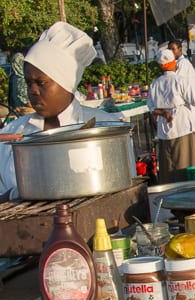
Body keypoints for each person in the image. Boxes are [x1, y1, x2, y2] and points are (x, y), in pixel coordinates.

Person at [0, 21, 116, 200]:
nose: (33, 91)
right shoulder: (12, 134)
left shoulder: (103, 130)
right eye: (29, 82)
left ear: (66, 84)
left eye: (41, 82)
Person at [147, 49, 195, 184]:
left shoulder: (155, 84)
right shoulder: (180, 81)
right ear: (174, 63)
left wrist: (163, 113)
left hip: (164, 132)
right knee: (186, 166)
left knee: (168, 169)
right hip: (182, 127)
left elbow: (151, 108)